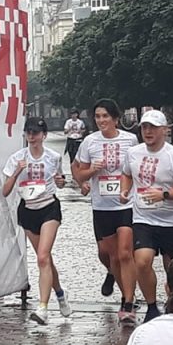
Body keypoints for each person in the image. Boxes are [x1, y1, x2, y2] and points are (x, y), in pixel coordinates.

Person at [120, 109, 173, 322]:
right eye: (144, 127)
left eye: (153, 127)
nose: (148, 131)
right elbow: (126, 173)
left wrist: (165, 195)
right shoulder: (133, 153)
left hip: (171, 221)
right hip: (143, 218)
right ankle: (151, 307)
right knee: (142, 262)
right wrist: (125, 190)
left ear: (164, 131)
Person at [72, 99, 138, 326]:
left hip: (126, 205)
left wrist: (131, 188)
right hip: (102, 207)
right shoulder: (89, 142)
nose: (101, 121)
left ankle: (128, 302)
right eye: (98, 116)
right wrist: (90, 173)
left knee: (124, 254)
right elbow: (78, 173)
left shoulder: (130, 140)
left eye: (105, 116)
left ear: (115, 118)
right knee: (108, 255)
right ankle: (113, 275)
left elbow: (136, 169)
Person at [2, 117, 72, 325]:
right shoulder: (17, 158)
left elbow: (59, 182)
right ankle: (59, 293)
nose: (32, 137)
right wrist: (16, 172)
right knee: (46, 259)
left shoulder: (53, 157)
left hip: (49, 208)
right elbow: (5, 191)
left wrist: (61, 181)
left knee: (42, 257)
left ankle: (42, 309)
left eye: (36, 133)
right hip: (28, 210)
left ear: (44, 136)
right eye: (29, 132)